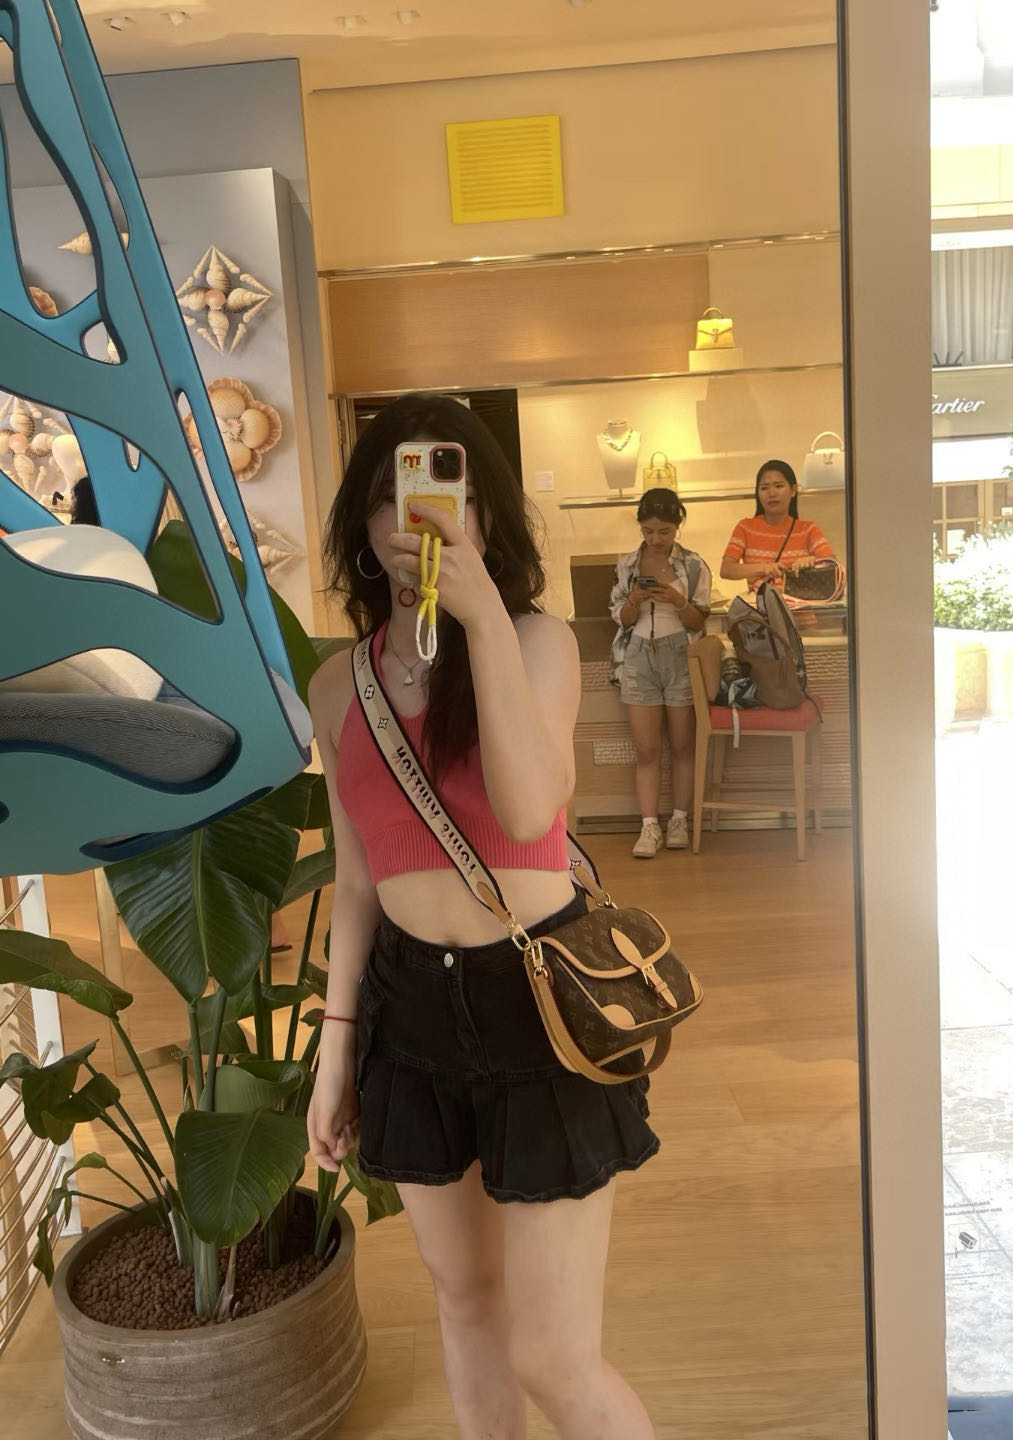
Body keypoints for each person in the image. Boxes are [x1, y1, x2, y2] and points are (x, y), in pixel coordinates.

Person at [307, 392, 657, 1440]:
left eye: (443, 488)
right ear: (363, 524)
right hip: (410, 1008)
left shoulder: (537, 642)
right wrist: (335, 1051)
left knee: (553, 1354)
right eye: (390, 492)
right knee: (464, 1300)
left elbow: (527, 809)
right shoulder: (337, 688)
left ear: (486, 514)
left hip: (537, 999)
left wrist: (483, 621)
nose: (414, 516)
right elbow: (357, 883)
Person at [608, 488, 711, 860]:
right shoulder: (627, 565)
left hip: (681, 654)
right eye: (648, 530)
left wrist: (679, 601)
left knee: (683, 744)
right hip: (638, 655)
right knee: (647, 749)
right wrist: (635, 600)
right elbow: (621, 619)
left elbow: (700, 620)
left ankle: (680, 819)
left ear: (678, 525)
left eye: (664, 531)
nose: (655, 538)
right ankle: (649, 825)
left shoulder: (694, 565)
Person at [720, 458, 836, 590]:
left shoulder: (807, 529)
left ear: (793, 490)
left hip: (799, 603)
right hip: (760, 603)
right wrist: (764, 568)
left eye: (779, 486)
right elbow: (726, 569)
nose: (772, 493)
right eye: (764, 488)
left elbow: (833, 565)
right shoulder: (745, 527)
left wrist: (813, 562)